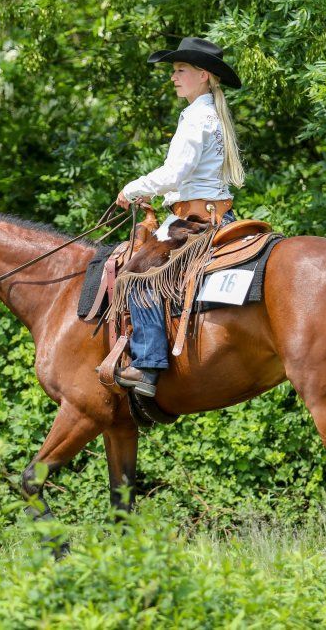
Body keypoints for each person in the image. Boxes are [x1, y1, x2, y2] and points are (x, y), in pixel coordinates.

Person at [114, 37, 245, 398]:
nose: (173, 76)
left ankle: (147, 364)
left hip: (192, 221)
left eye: (180, 70)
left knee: (136, 274)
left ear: (203, 75)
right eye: (173, 70)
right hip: (219, 215)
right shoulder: (211, 115)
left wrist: (133, 187)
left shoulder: (197, 118)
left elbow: (175, 173)